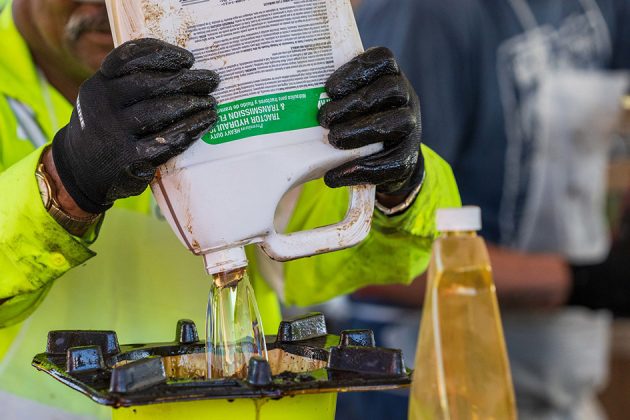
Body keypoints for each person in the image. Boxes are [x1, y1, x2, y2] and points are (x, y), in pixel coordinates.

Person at [0, 0, 460, 418]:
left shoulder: (228, 66)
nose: (119, 8)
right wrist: (66, 178)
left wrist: (395, 178)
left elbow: (339, 258)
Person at [336, 0, 630, 419]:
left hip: (562, 373)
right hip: (421, 388)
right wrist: (578, 280)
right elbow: (357, 256)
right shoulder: (423, 18)